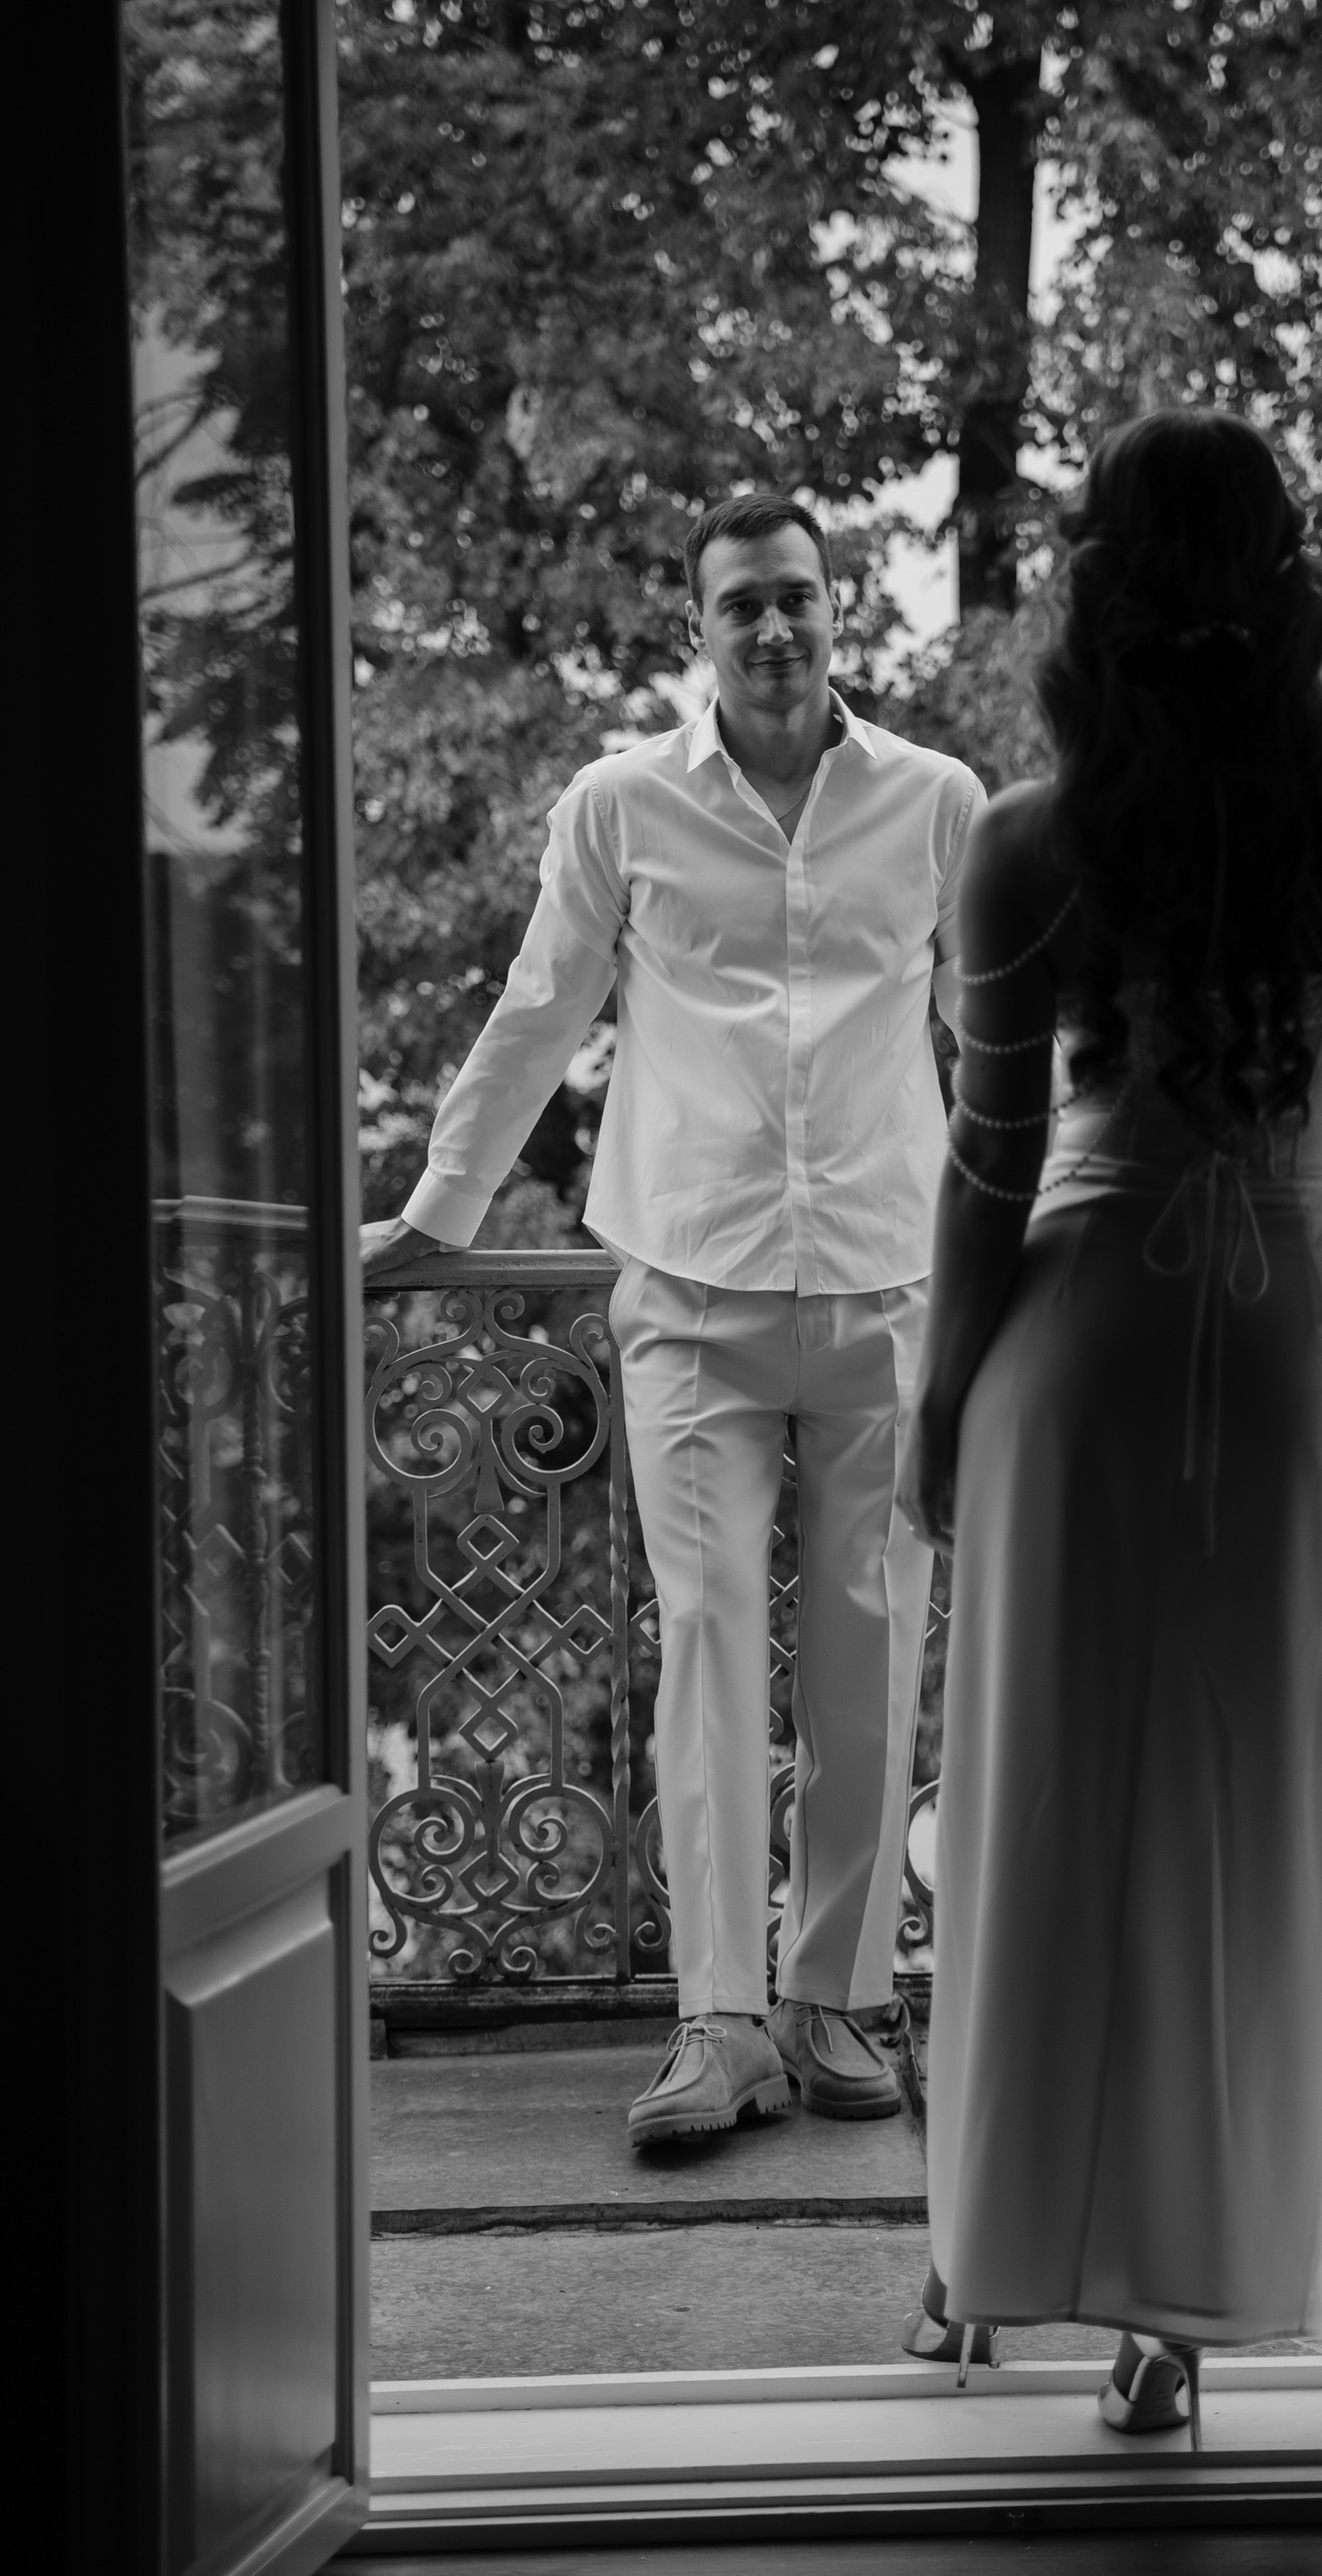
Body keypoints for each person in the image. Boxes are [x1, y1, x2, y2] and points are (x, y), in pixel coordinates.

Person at [894, 412, 1322, 2439]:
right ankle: (1176, 2322)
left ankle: (981, 2252)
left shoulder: (1027, 837)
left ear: (1097, 582)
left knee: (1037, 1797)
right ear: (1290, 577)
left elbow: (990, 1164)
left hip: (1077, 1341)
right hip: (1287, 1334)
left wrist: (938, 1400)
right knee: (1246, 1813)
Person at [364, 494, 985, 2146]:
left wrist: (1037, 1242)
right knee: (703, 1647)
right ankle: (720, 2024)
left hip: (889, 1287)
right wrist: (436, 1212)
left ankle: (837, 2000)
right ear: (697, 629)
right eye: (740, 606)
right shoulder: (618, 802)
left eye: (796, 596)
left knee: (871, 1654)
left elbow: (997, 1039)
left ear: (838, 609)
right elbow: (539, 1008)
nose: (772, 627)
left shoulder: (938, 801)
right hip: (692, 1293)